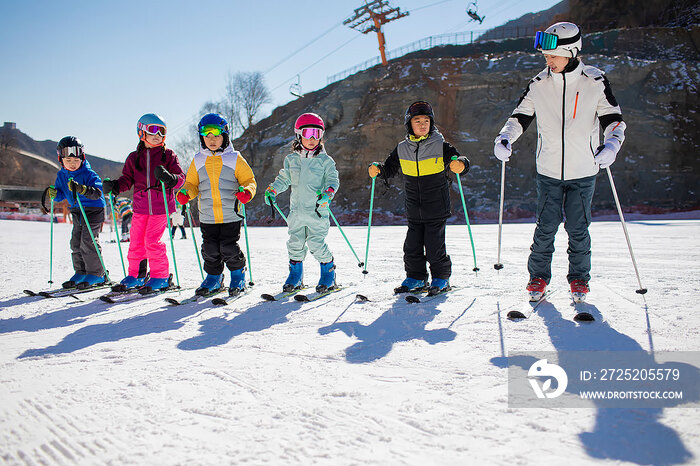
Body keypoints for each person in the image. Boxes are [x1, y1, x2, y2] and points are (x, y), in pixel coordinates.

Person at [493, 22, 626, 302]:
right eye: (545, 57)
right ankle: (537, 278)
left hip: (583, 171)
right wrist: (505, 138)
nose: (548, 61)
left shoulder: (594, 81)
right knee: (545, 228)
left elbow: (613, 120)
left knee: (578, 229)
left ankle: (579, 280)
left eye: (552, 56)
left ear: (571, 52)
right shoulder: (539, 84)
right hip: (549, 171)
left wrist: (612, 144)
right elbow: (519, 117)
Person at [368, 101, 470, 294]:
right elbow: (389, 168)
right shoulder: (401, 148)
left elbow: (459, 159)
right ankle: (416, 278)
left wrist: (461, 164)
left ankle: (441, 278)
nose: (423, 124)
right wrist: (378, 169)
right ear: (409, 124)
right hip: (414, 207)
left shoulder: (440, 145)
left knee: (434, 247)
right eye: (417, 121)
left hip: (436, 206)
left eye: (426, 120)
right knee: (411, 246)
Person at [102, 113, 185, 292]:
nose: (158, 135)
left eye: (162, 132)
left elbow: (181, 178)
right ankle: (137, 275)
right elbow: (127, 180)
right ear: (142, 132)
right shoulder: (134, 158)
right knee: (136, 241)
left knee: (151, 240)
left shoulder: (168, 156)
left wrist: (170, 178)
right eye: (153, 130)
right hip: (140, 208)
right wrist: (115, 186)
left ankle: (160, 276)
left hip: (161, 207)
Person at [177, 113, 256, 296]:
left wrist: (247, 192)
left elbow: (249, 180)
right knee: (210, 249)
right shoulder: (198, 160)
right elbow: (191, 184)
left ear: (225, 135)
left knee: (229, 247)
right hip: (207, 216)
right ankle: (214, 278)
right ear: (202, 138)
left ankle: (238, 275)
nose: (212, 140)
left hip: (230, 214)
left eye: (216, 135)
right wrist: (185, 193)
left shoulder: (234, 158)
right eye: (207, 136)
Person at [264, 113, 339, 293]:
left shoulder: (325, 161)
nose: (312, 138)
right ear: (299, 135)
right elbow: (284, 179)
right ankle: (295, 276)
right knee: (295, 243)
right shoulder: (291, 160)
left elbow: (333, 180)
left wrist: (328, 193)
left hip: (317, 211)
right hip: (296, 213)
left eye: (317, 133)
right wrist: (273, 189)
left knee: (316, 243)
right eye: (308, 133)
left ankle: (328, 274)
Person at [47, 136, 107, 288]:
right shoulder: (62, 175)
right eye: (68, 161)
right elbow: (61, 194)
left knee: (88, 241)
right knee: (76, 242)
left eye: (75, 160)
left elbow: (97, 192)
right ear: (61, 160)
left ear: (82, 158)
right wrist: (54, 194)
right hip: (77, 210)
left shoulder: (89, 174)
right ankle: (81, 271)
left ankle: (97, 274)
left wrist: (82, 189)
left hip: (93, 210)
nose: (72, 164)